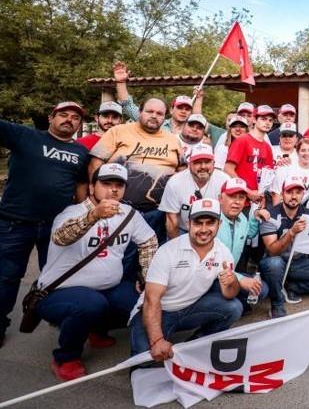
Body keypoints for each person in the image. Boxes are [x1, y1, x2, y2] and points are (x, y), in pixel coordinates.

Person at [36, 163, 157, 380]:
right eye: (106, 183)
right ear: (92, 187)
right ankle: (66, 357)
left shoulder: (129, 214)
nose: (113, 189)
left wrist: (146, 277)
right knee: (91, 304)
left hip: (106, 288)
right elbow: (61, 237)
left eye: (118, 185)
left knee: (141, 302)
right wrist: (93, 216)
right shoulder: (72, 212)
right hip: (59, 292)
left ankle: (96, 330)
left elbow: (149, 241)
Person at [0, 101, 89, 347]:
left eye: (75, 117)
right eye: (63, 114)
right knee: (6, 276)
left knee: (55, 276)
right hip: (14, 223)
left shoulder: (81, 153)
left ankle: (53, 315)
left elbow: (81, 185)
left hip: (55, 227)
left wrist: (81, 216)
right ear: (51, 117)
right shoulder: (24, 135)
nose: (69, 120)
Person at [129, 198, 243, 361]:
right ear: (189, 223)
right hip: (159, 309)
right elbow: (151, 299)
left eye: (210, 223)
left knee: (233, 307)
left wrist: (232, 282)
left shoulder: (223, 252)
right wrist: (157, 340)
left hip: (190, 308)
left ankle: (195, 344)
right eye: (198, 223)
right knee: (144, 359)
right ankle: (159, 341)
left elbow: (229, 294)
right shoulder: (168, 251)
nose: (204, 229)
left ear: (219, 225)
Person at [89, 98, 181, 244]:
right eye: (149, 111)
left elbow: (182, 170)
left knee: (151, 256)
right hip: (118, 210)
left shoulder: (173, 140)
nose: (154, 116)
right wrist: (95, 197)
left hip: (158, 213)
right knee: (119, 257)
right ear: (139, 112)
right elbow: (95, 163)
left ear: (165, 117)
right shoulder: (117, 132)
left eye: (159, 113)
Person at [260, 177, 309, 310]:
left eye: (298, 192)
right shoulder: (270, 215)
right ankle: (277, 299)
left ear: (303, 195)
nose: (294, 196)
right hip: (277, 261)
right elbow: (272, 251)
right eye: (290, 192)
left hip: (299, 261)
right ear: (283, 194)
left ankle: (292, 286)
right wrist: (291, 233)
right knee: (274, 263)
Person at [216, 178, 268, 314]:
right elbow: (210, 265)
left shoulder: (242, 219)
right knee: (234, 308)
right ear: (220, 198)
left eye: (241, 197)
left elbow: (249, 234)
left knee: (262, 289)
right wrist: (240, 279)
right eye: (232, 196)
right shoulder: (212, 221)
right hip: (211, 277)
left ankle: (230, 300)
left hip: (231, 274)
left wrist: (255, 217)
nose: (237, 201)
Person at [160, 144, 231, 239]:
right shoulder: (175, 182)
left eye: (207, 162)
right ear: (189, 164)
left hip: (215, 230)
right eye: (197, 162)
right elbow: (172, 221)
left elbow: (229, 213)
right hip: (184, 230)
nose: (203, 166)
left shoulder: (224, 180)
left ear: (214, 163)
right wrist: (176, 246)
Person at [224, 105, 276, 205]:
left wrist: (262, 195)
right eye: (263, 119)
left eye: (270, 120)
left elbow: (267, 176)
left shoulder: (267, 147)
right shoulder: (242, 140)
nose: (267, 123)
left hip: (257, 200)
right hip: (238, 198)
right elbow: (228, 169)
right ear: (254, 120)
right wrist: (247, 191)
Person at [269, 138, 309, 207]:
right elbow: (276, 193)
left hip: (301, 207)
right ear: (297, 152)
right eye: (303, 150)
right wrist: (278, 214)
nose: (306, 153)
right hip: (283, 205)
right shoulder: (286, 167)